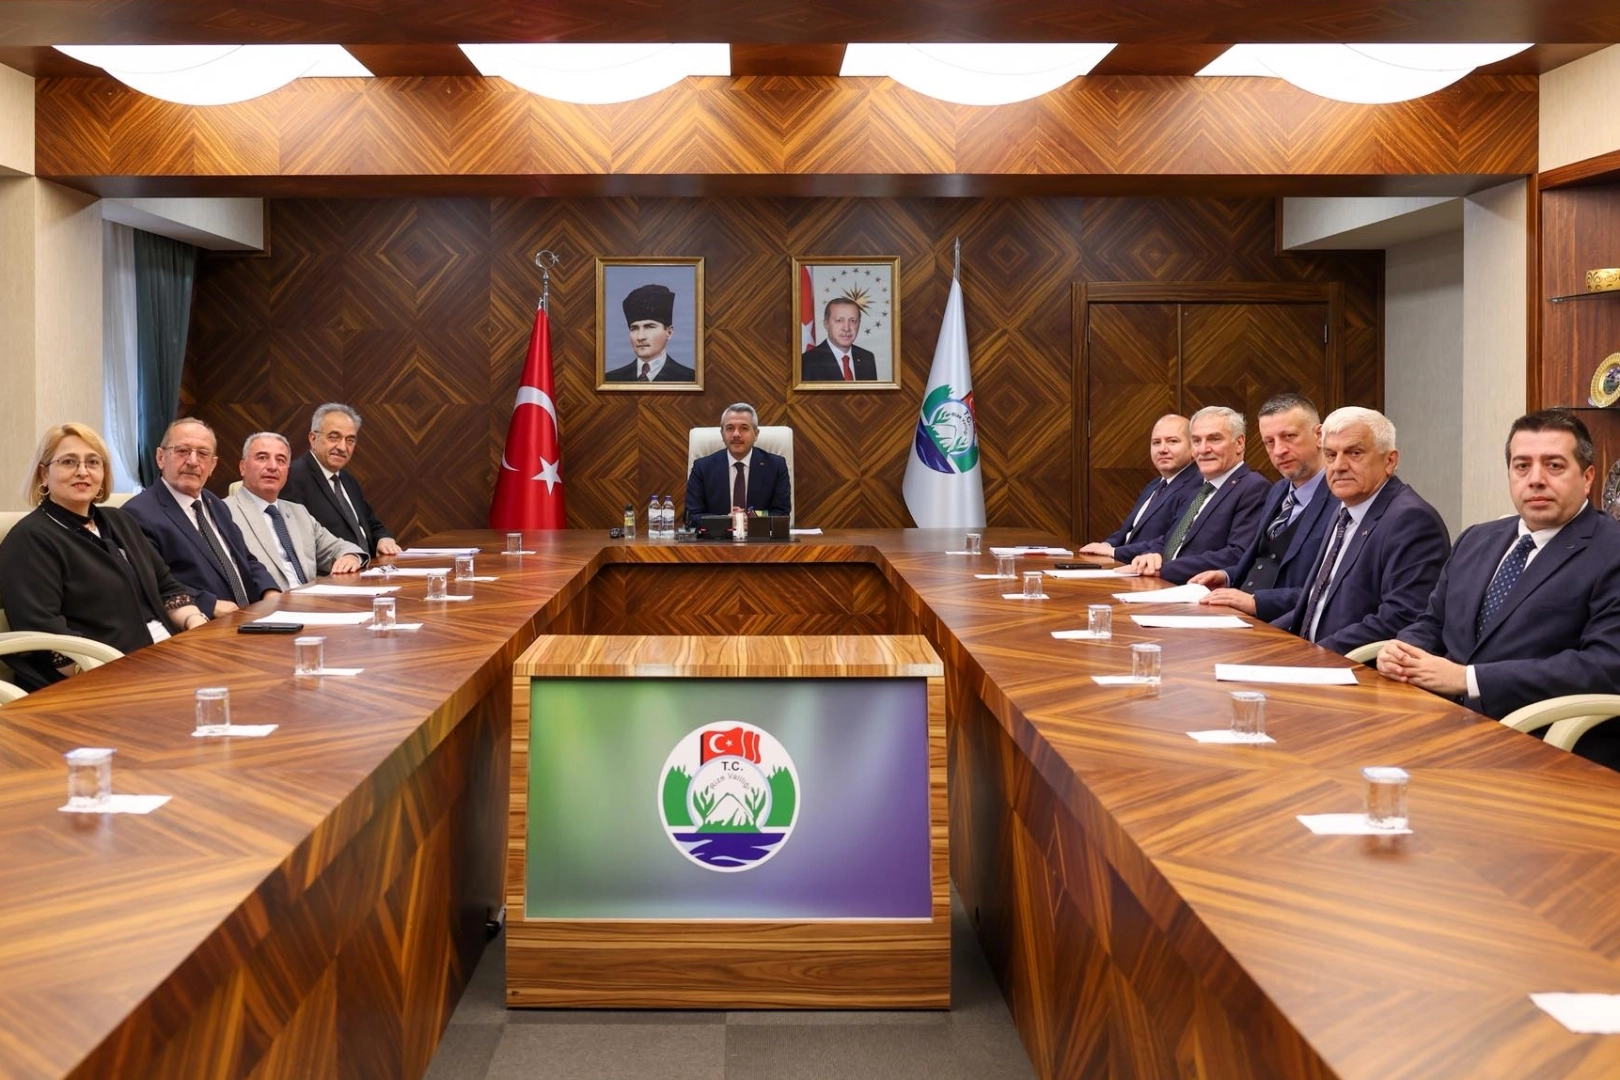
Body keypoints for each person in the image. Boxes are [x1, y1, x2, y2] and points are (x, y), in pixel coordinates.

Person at [1380, 411, 1620, 766]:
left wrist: (1469, 679)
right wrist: (1404, 651)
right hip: (1438, 724)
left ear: (1587, 478)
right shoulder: (1476, 539)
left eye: (1554, 466)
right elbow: (1433, 622)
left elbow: (1605, 667)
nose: (1535, 480)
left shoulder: (1611, 550)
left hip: (1541, 747)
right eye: (1522, 466)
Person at [0, 422, 207, 691]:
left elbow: (167, 587)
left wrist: (195, 623)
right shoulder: (29, 538)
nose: (82, 471)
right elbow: (46, 635)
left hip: (167, 654)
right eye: (68, 462)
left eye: (93, 462)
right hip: (100, 677)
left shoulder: (120, 521)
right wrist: (106, 674)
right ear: (43, 474)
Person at [1274, 406, 1449, 655]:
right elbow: (1315, 603)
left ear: (1390, 461)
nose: (1338, 466)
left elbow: (1402, 617)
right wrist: (1267, 639)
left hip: (1357, 667)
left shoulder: (1411, 520)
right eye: (1330, 455)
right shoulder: (1344, 509)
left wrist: (1313, 655)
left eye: (1354, 453)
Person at [1191, 393, 1336, 620]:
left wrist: (1256, 602)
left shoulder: (1341, 498)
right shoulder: (1278, 490)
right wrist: (1227, 576)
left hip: (1284, 626)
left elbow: (1332, 592)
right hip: (1237, 615)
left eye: (1289, 437)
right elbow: (1265, 561)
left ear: (1319, 435)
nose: (1279, 450)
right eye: (1270, 442)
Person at [124, 417, 280, 619]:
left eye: (203, 454)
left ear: (213, 465)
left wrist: (270, 592)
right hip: (202, 622)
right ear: (161, 457)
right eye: (182, 451)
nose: (192, 461)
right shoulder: (137, 514)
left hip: (253, 615)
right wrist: (209, 604)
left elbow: (245, 559)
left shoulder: (215, 503)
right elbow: (151, 582)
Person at [1128, 406, 1270, 583]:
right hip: (1161, 583)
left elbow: (1238, 553)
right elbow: (1172, 538)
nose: (1203, 449)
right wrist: (1152, 554)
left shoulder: (1253, 487)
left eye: (1214, 439)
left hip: (1200, 590)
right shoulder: (1200, 487)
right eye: (1196, 441)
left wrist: (1164, 569)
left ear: (1239, 443)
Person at [226, 432, 367, 590]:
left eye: (281, 460)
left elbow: (339, 547)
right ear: (243, 467)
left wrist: (351, 556)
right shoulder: (224, 513)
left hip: (312, 599)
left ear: (287, 471)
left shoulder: (298, 512)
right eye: (262, 458)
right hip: (267, 601)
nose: (272, 466)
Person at [282, 402, 402, 558]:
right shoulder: (292, 477)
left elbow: (371, 523)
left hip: (369, 565)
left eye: (350, 440)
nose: (342, 447)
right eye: (334, 437)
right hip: (334, 569)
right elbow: (300, 542)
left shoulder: (347, 479)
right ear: (313, 438)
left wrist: (383, 539)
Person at [1079, 414, 1198, 562]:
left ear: (1193, 447)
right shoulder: (1154, 484)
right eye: (1156, 442)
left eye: (1172, 441)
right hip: (1123, 564)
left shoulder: (1197, 486)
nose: (1162, 449)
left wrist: (1115, 552)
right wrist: (1106, 545)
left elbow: (1171, 542)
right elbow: (1131, 531)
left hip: (1150, 568)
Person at [684, 403, 791, 522]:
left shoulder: (776, 466)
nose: (736, 434)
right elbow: (692, 515)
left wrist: (752, 519)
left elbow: (782, 514)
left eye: (744, 428)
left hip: (759, 534)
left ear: (756, 434)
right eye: (730, 428)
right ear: (722, 434)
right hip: (717, 534)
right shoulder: (702, 468)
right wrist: (724, 521)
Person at [604, 284, 696, 383]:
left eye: (650, 327)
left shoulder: (690, 378)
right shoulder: (610, 379)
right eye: (634, 328)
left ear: (669, 332)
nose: (640, 337)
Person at [801, 298, 877, 381]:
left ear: (859, 324)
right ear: (826, 324)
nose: (846, 328)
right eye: (839, 320)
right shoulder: (807, 362)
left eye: (853, 321)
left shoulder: (867, 358)